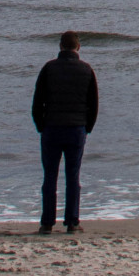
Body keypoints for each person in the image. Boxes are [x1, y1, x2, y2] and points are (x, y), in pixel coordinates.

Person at [31, 30, 98, 234]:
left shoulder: (49, 68)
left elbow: (37, 102)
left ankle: (47, 223)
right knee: (73, 176)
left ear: (60, 47)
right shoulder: (86, 70)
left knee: (50, 176)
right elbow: (93, 104)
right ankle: (72, 222)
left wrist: (41, 125)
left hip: (52, 128)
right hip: (76, 129)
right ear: (78, 47)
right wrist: (87, 127)